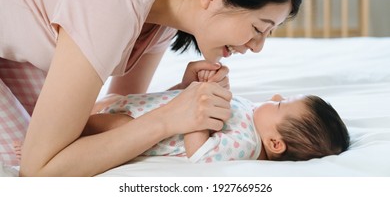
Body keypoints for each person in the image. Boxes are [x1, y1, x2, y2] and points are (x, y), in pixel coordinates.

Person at [0, 0, 305, 176]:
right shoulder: (114, 1)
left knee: (62, 134)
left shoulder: (164, 3)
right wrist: (168, 117)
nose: (257, 47)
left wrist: (177, 95)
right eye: (258, 29)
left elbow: (118, 104)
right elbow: (39, 169)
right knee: (26, 154)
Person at [78, 88, 349, 163]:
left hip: (134, 127)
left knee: (81, 126)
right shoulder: (254, 118)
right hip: (144, 106)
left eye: (280, 105)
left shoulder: (246, 145)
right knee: (97, 106)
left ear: (275, 143)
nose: (275, 97)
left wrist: (197, 121)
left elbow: (202, 152)